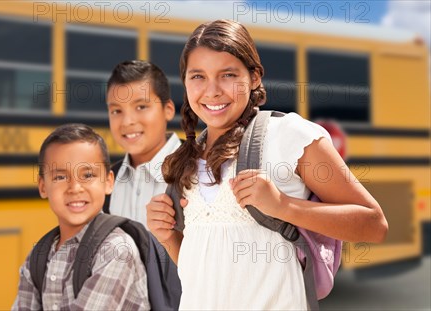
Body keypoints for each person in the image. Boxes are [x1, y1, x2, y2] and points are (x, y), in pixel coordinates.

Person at [146, 19, 388, 309]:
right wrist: (168, 237)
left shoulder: (289, 135)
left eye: (228, 75)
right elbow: (201, 269)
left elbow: (375, 225)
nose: (212, 91)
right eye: (198, 76)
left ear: (255, 77)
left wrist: (283, 205)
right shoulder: (188, 160)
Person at [12, 124, 150, 310]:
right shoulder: (38, 257)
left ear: (109, 182)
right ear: (43, 186)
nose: (75, 187)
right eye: (60, 177)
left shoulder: (116, 249)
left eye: (88, 175)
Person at [106, 60, 180, 227]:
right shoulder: (108, 181)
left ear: (168, 110)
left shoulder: (199, 167)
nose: (127, 121)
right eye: (116, 111)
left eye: (141, 107)